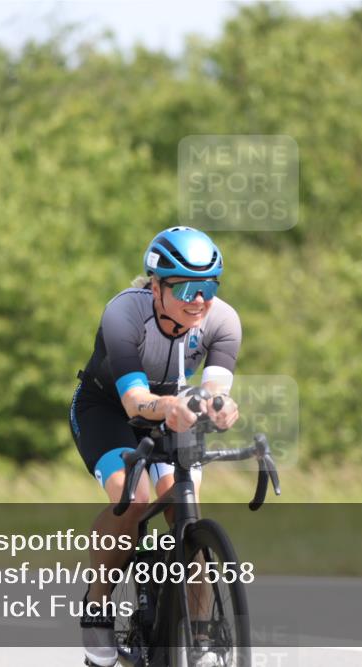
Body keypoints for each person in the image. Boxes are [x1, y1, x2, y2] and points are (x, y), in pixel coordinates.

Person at [70, 226, 242, 666]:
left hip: (172, 406)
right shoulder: (123, 314)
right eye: (185, 286)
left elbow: (215, 388)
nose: (198, 299)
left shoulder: (223, 321)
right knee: (134, 498)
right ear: (155, 286)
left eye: (207, 286)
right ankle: (97, 609)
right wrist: (170, 405)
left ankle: (199, 637)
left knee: (185, 510)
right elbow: (134, 400)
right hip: (107, 408)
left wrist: (221, 408)